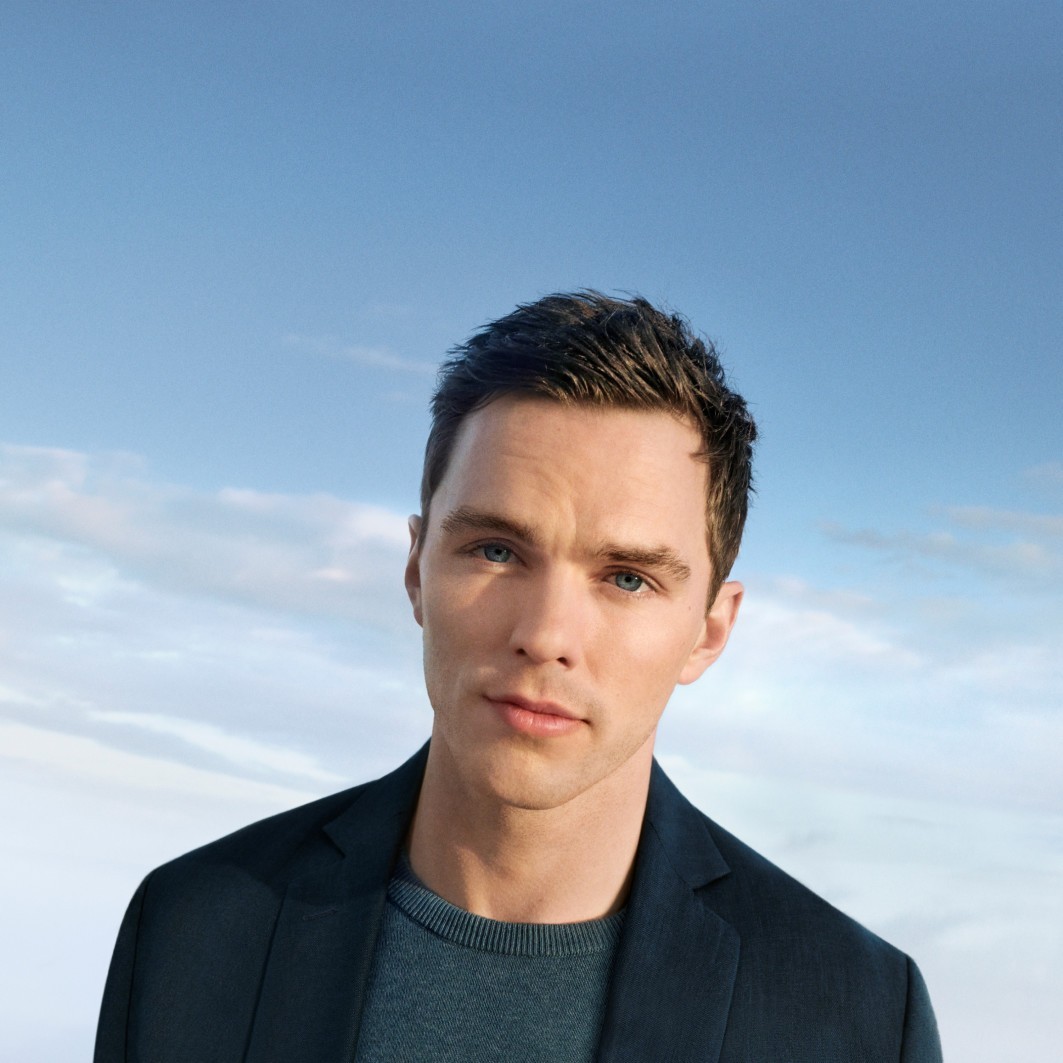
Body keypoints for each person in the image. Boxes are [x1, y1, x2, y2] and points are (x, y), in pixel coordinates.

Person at [95, 291, 943, 1061]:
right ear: (417, 571)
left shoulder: (860, 1020)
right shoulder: (191, 929)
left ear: (708, 631)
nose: (544, 636)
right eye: (496, 550)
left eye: (626, 578)